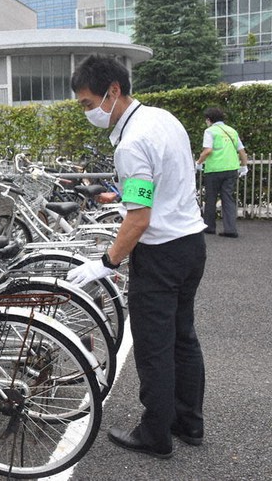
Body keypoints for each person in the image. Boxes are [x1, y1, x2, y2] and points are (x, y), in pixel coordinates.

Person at [66, 55, 207, 459]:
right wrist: (125, 195)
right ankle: (189, 423)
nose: (88, 112)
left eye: (89, 103)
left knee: (154, 348)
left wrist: (106, 263)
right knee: (184, 338)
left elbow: (139, 219)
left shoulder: (132, 143)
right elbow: (158, 186)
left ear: (113, 91)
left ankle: (155, 435)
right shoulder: (164, 118)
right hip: (191, 243)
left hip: (161, 254)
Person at [195, 107, 249, 237]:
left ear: (209, 119)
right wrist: (244, 166)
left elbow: (208, 151)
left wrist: (198, 163)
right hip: (231, 169)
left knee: (211, 199)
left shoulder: (210, 131)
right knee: (228, 198)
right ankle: (230, 230)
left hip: (214, 170)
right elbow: (242, 151)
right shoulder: (232, 131)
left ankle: (209, 227)